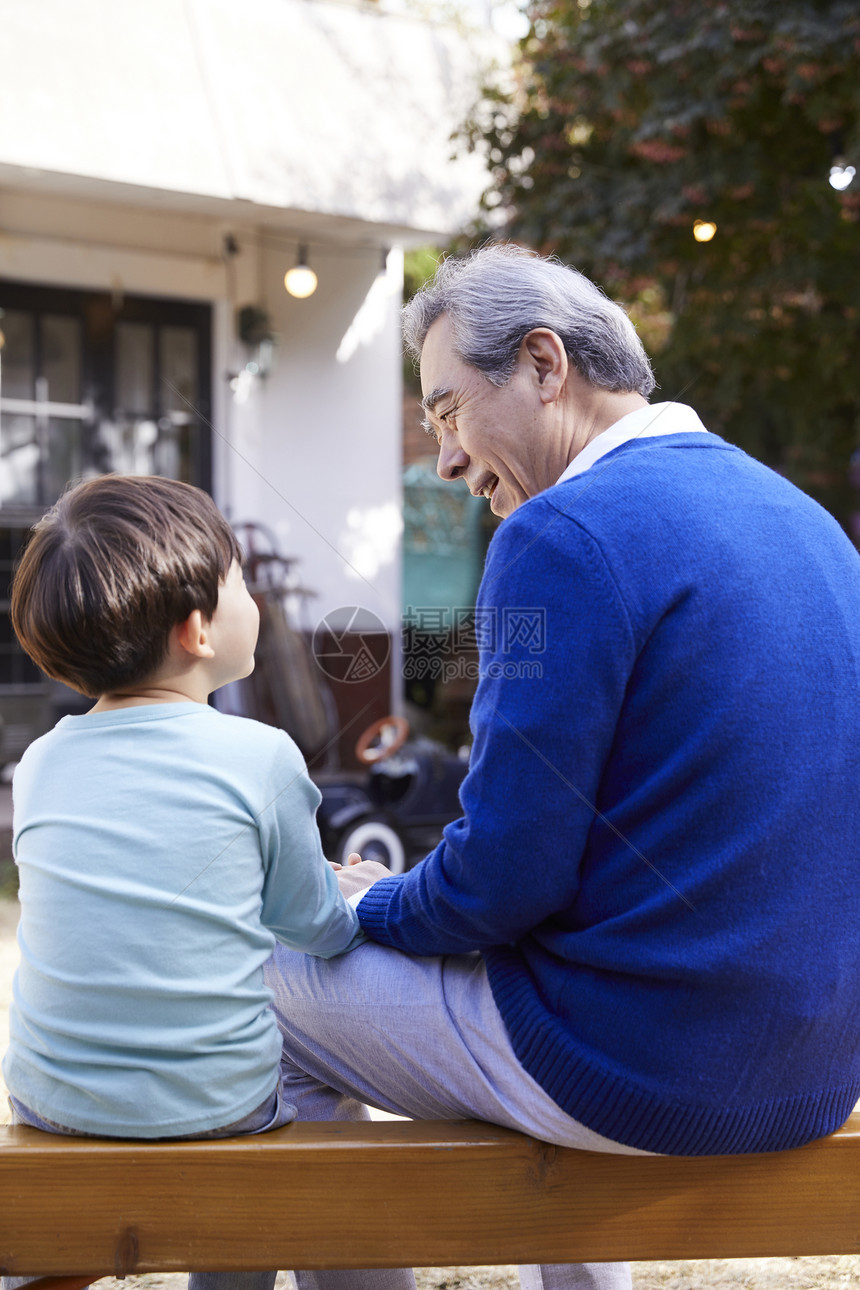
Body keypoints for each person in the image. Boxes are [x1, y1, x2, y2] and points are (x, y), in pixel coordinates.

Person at [264, 243, 860, 1290]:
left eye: (445, 411)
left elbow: (504, 880)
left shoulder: (558, 536)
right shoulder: (810, 527)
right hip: (815, 1069)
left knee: (259, 984)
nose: (442, 456)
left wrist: (371, 904)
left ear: (544, 363)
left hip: (648, 1074)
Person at [2, 474, 364, 1290]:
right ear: (199, 629)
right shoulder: (261, 754)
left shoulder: (41, 764)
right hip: (218, 1109)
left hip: (53, 1103)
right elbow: (318, 931)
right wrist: (353, 892)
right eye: (240, 580)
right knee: (307, 1125)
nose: (253, 599)